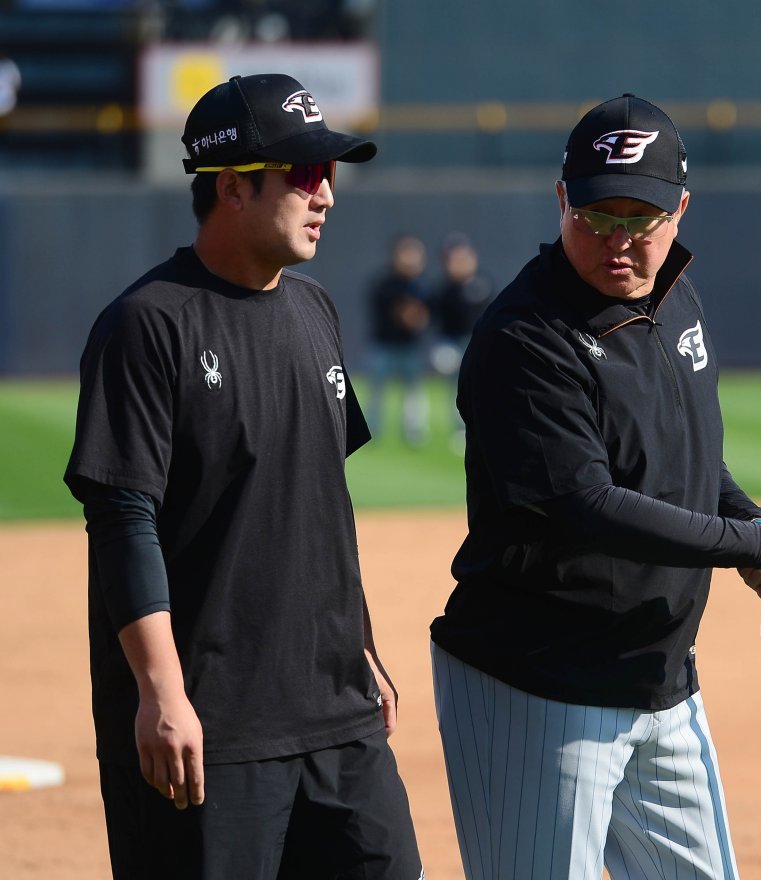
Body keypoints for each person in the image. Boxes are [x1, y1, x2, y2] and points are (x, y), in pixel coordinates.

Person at [428, 93, 761, 880]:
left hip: (660, 680)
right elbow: (586, 504)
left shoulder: (675, 296)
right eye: (596, 217)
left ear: (681, 210)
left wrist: (751, 526)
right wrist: (755, 544)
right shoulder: (524, 338)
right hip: (540, 687)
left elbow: (684, 462)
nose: (618, 241)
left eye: (642, 219)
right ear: (562, 199)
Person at [64, 74, 424, 879]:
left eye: (328, 172)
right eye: (304, 173)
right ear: (231, 186)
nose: (326, 194)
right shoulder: (147, 324)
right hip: (213, 728)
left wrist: (360, 645)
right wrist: (161, 692)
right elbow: (123, 518)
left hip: (336, 715)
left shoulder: (316, 310)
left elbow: (319, 501)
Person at [428, 232, 494, 447]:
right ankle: (459, 428)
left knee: (481, 389)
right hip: (452, 343)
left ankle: (480, 427)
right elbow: (434, 318)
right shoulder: (445, 290)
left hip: (477, 343)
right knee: (456, 388)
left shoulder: (482, 283)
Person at [366, 234, 433, 445]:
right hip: (384, 346)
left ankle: (414, 432)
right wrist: (405, 314)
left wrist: (418, 317)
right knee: (376, 392)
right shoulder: (385, 284)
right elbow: (390, 313)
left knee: (414, 392)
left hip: (410, 347)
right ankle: (371, 430)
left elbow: (426, 316)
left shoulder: (422, 285)